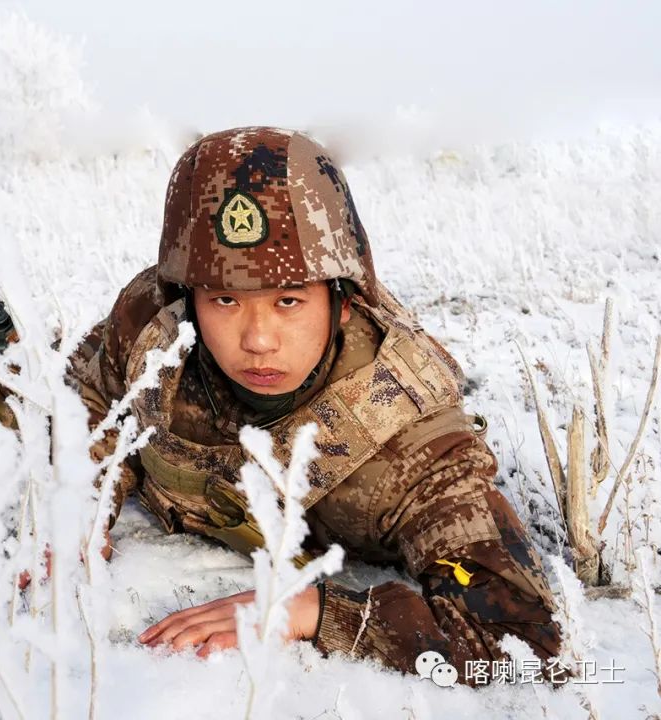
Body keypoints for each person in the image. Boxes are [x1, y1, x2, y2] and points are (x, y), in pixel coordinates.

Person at [63, 127, 562, 684]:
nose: (258, 339)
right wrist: (83, 500)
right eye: (225, 300)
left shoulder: (412, 445)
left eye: (289, 301)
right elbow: (89, 393)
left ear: (344, 303)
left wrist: (318, 613)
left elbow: (524, 648)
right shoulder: (151, 324)